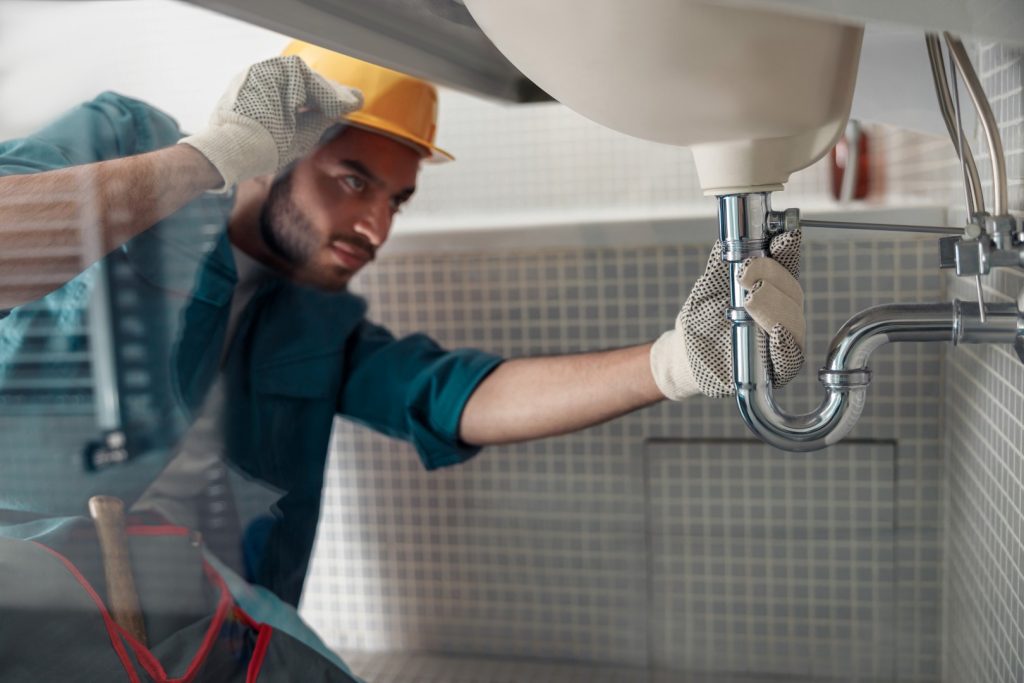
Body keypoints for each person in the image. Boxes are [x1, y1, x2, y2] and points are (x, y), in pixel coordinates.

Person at [0, 41, 805, 677]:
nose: (376, 228)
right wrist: (215, 154)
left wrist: (677, 363)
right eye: (353, 181)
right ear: (277, 150)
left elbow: (452, 393)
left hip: (208, 634)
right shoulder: (129, 145)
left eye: (395, 200)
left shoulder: (312, 325)